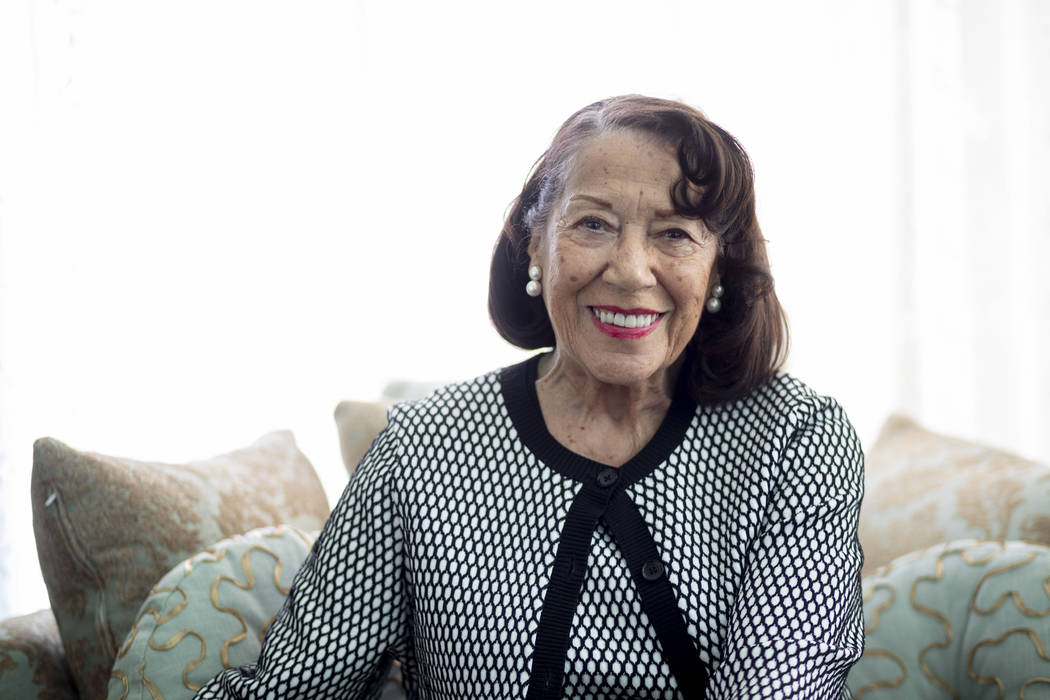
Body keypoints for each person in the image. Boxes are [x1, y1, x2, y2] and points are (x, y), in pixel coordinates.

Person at [195, 95, 865, 699]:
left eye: (674, 234)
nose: (631, 271)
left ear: (719, 265)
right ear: (536, 248)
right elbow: (289, 689)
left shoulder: (797, 441)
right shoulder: (420, 449)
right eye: (594, 225)